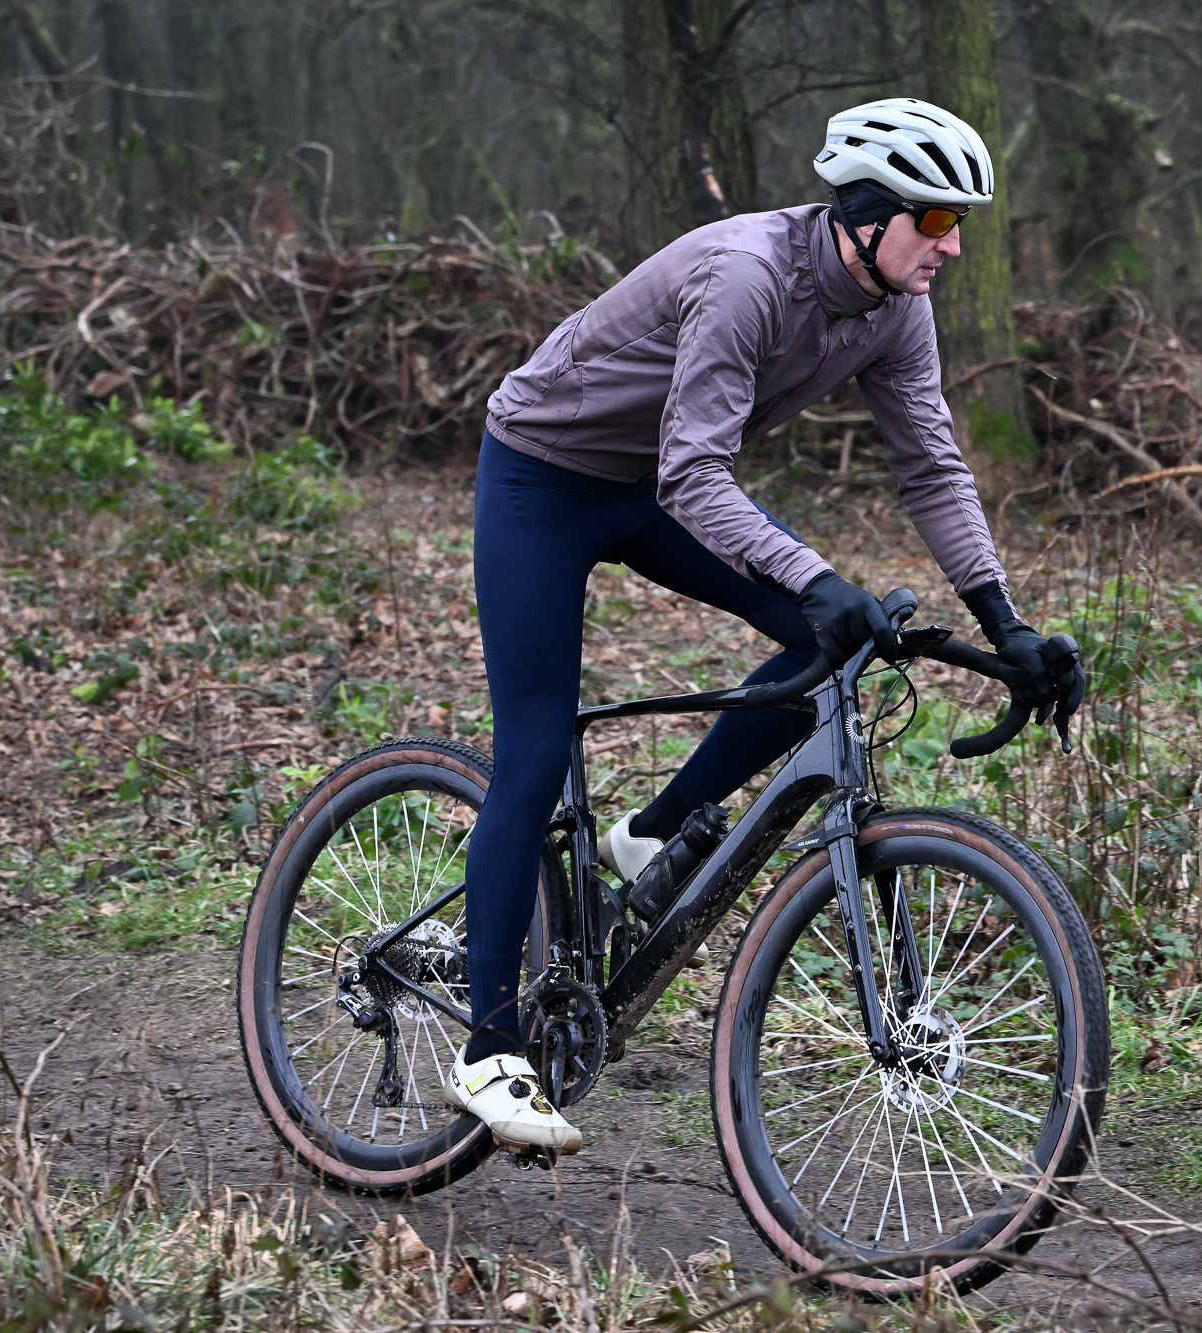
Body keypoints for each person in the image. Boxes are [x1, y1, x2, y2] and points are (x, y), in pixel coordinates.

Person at [441, 98, 1085, 1152]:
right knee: (529, 756)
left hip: (654, 482)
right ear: (868, 215)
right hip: (544, 481)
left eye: (956, 223)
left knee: (832, 635)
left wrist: (1002, 619)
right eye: (933, 221)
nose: (952, 244)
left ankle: (650, 830)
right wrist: (815, 571)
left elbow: (928, 464)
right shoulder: (747, 276)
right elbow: (698, 472)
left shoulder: (893, 306)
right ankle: (488, 1049)